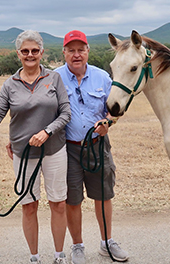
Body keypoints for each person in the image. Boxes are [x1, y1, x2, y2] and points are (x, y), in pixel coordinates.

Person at [0, 30, 71, 264]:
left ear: (42, 52)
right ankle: (34, 257)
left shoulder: (53, 79)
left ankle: (59, 255)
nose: (30, 55)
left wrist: (47, 131)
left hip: (54, 150)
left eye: (34, 51)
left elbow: (66, 112)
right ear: (18, 54)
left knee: (58, 203)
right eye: (25, 51)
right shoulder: (10, 84)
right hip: (24, 154)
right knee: (29, 206)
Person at [54, 30, 129, 263]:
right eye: (71, 50)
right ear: (64, 53)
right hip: (67, 148)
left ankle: (107, 242)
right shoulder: (53, 78)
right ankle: (77, 246)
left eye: (81, 49)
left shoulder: (103, 78)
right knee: (72, 199)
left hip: (97, 146)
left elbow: (115, 107)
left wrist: (108, 121)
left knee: (103, 195)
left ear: (88, 51)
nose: (76, 55)